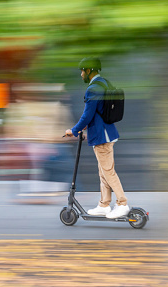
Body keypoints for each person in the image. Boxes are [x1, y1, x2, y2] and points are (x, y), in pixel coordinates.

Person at [64, 57, 129, 219]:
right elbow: (99, 111)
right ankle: (104, 204)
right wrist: (84, 127)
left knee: (108, 171)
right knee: (103, 172)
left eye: (82, 70)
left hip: (102, 136)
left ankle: (122, 203)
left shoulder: (93, 89)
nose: (81, 74)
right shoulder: (105, 83)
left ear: (89, 70)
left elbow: (88, 114)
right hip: (106, 132)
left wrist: (74, 130)